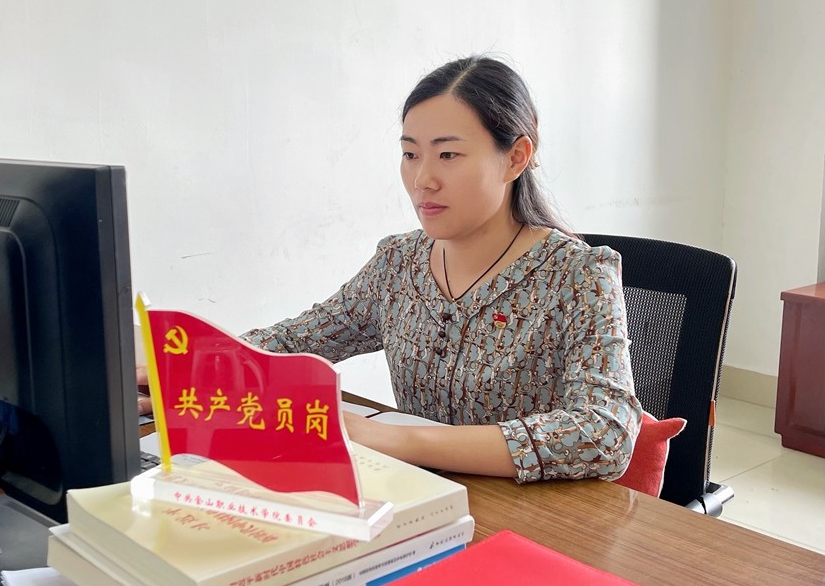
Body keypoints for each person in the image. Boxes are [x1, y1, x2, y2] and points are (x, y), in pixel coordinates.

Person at [142, 55, 642, 483]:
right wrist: (186, 371)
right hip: (416, 498)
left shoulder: (578, 274)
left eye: (448, 154)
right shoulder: (399, 263)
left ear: (516, 157)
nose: (422, 179)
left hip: (538, 520)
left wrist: (395, 440)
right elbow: (296, 340)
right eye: (410, 154)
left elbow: (606, 431)